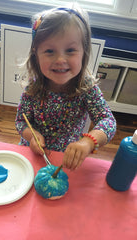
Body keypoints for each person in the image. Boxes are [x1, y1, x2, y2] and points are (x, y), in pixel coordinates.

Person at [15, 6, 116, 170]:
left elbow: (108, 121)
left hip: (66, 159)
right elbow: (21, 121)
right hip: (32, 153)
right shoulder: (32, 88)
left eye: (70, 50)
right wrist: (32, 136)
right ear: (36, 54)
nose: (60, 59)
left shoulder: (87, 88)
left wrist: (88, 141)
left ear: (84, 52)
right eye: (49, 51)